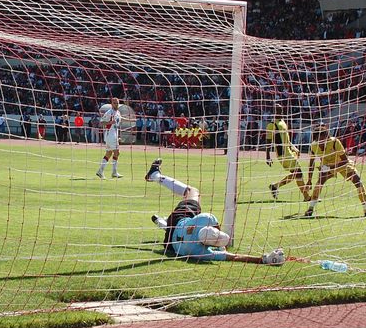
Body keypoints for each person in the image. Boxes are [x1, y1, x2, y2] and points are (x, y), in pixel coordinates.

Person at [144, 159, 285, 265]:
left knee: (192, 192)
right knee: (190, 197)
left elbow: (231, 253)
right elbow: (232, 256)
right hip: (170, 244)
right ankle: (161, 220)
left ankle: (155, 176)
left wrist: (263, 259)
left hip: (180, 218)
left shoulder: (204, 219)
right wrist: (263, 259)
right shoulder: (200, 252)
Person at [304, 125, 366, 218]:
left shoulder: (334, 142)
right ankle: (310, 209)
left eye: (325, 137)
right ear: (316, 138)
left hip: (341, 164)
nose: (323, 140)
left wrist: (330, 167)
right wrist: (309, 180)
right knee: (319, 184)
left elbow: (344, 160)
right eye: (320, 138)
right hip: (326, 165)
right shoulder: (313, 146)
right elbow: (311, 163)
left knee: (358, 182)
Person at [265, 109, 311, 202]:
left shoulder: (283, 122)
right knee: (298, 173)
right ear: (274, 112)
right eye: (278, 110)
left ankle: (275, 186)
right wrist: (268, 156)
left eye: (281, 110)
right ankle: (306, 197)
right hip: (283, 154)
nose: (281, 112)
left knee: (296, 174)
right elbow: (268, 141)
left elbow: (287, 139)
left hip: (289, 152)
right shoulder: (271, 125)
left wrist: (294, 148)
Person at [96, 97, 124, 179]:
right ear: (111, 104)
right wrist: (109, 122)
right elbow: (101, 123)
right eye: (114, 103)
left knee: (109, 153)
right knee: (117, 152)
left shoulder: (118, 112)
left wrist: (119, 136)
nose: (116, 104)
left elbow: (118, 124)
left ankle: (100, 171)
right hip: (110, 135)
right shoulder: (109, 112)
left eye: (117, 103)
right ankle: (114, 172)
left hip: (114, 134)